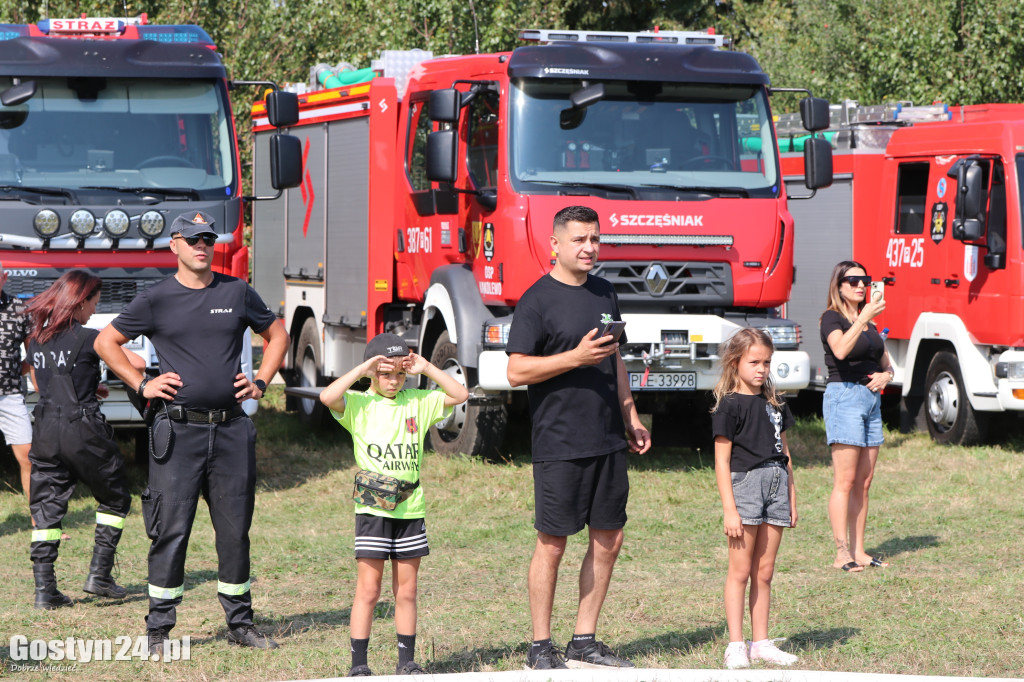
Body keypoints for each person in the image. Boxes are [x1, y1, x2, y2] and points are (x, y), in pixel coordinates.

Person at [95, 211, 289, 655]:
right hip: (178, 433)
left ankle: (240, 624)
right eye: (193, 239)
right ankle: (159, 630)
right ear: (175, 246)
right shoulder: (156, 299)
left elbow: (277, 336)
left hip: (232, 432)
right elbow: (105, 342)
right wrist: (142, 383)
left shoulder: (237, 291)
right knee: (171, 530)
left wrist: (260, 381)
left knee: (234, 531)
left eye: (209, 238)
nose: (203, 245)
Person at [506, 205, 651, 670]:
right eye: (579, 240)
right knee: (553, 543)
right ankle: (539, 645)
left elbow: (615, 360)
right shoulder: (536, 300)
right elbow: (515, 370)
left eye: (595, 239)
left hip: (608, 437)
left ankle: (583, 639)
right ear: (555, 244)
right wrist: (575, 358)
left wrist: (630, 415)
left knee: (609, 538)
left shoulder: (605, 292)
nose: (589, 248)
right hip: (560, 441)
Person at [320, 332, 468, 677]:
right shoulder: (359, 404)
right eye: (385, 373)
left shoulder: (417, 400)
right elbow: (328, 396)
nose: (393, 381)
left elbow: (459, 394)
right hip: (373, 510)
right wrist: (364, 369)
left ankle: (407, 661)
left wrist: (427, 367)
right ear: (374, 373)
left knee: (407, 589)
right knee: (369, 590)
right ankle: (359, 663)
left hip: (410, 509)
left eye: (400, 373)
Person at [26, 271, 146, 609]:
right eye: (94, 302)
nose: (95, 310)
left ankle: (45, 591)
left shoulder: (37, 338)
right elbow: (135, 363)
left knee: (46, 509)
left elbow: (41, 383)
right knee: (115, 498)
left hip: (47, 428)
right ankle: (100, 575)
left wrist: (88, 384)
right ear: (80, 302)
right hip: (84, 430)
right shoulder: (92, 337)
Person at [711, 328, 799, 669]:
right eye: (754, 362)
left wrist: (791, 495)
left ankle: (760, 643)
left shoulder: (775, 402)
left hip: (777, 485)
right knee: (740, 571)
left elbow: (786, 454)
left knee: (764, 572)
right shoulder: (729, 406)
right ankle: (736, 644)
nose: (761, 369)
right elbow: (721, 461)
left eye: (767, 362)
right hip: (745, 487)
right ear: (736, 362)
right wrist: (730, 510)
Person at [820, 260, 893, 572]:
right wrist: (864, 317)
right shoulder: (831, 318)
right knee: (846, 480)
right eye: (853, 281)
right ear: (839, 285)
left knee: (864, 481)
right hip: (845, 398)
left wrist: (887, 376)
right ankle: (841, 553)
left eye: (865, 280)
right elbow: (840, 351)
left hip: (871, 400)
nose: (861, 286)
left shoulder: (872, 324)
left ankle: (860, 551)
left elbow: (887, 363)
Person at [0, 263, 33, 520]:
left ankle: (39, 521)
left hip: (10, 395)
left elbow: (33, 355)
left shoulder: (21, 310)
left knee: (29, 458)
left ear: (5, 277)